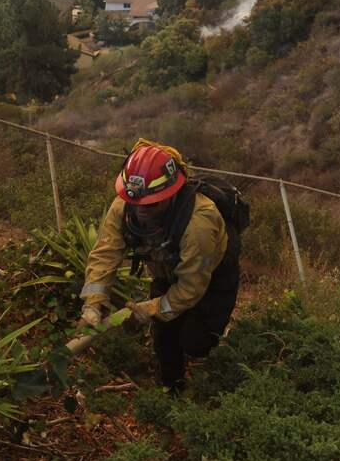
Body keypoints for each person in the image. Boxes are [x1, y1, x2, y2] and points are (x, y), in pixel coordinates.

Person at [79, 140, 246, 391]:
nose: (141, 211)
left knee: (195, 342)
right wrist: (93, 304)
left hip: (211, 273)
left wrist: (151, 308)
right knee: (165, 338)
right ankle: (172, 391)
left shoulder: (199, 223)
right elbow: (105, 254)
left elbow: (191, 287)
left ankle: (214, 373)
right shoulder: (125, 206)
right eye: (136, 203)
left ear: (170, 193)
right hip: (166, 268)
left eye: (151, 204)